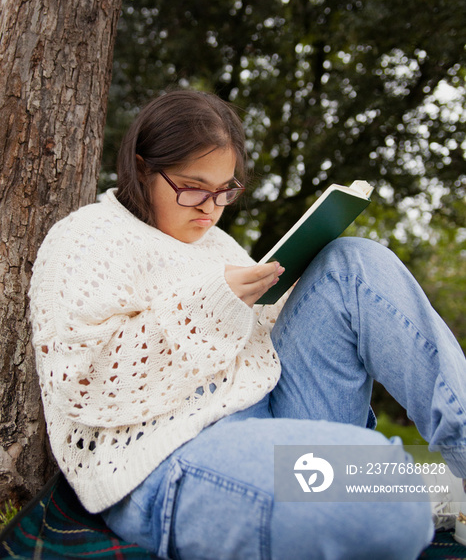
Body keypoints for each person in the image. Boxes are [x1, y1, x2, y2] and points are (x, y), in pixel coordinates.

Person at [29, 89, 466, 560]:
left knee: (353, 262)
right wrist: (214, 303)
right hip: (174, 453)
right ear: (141, 169)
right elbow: (82, 385)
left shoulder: (217, 242)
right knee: (390, 496)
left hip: (277, 413)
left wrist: (286, 297)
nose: (210, 208)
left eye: (225, 190)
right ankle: (400, 490)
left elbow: (257, 344)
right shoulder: (86, 238)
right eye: (194, 187)